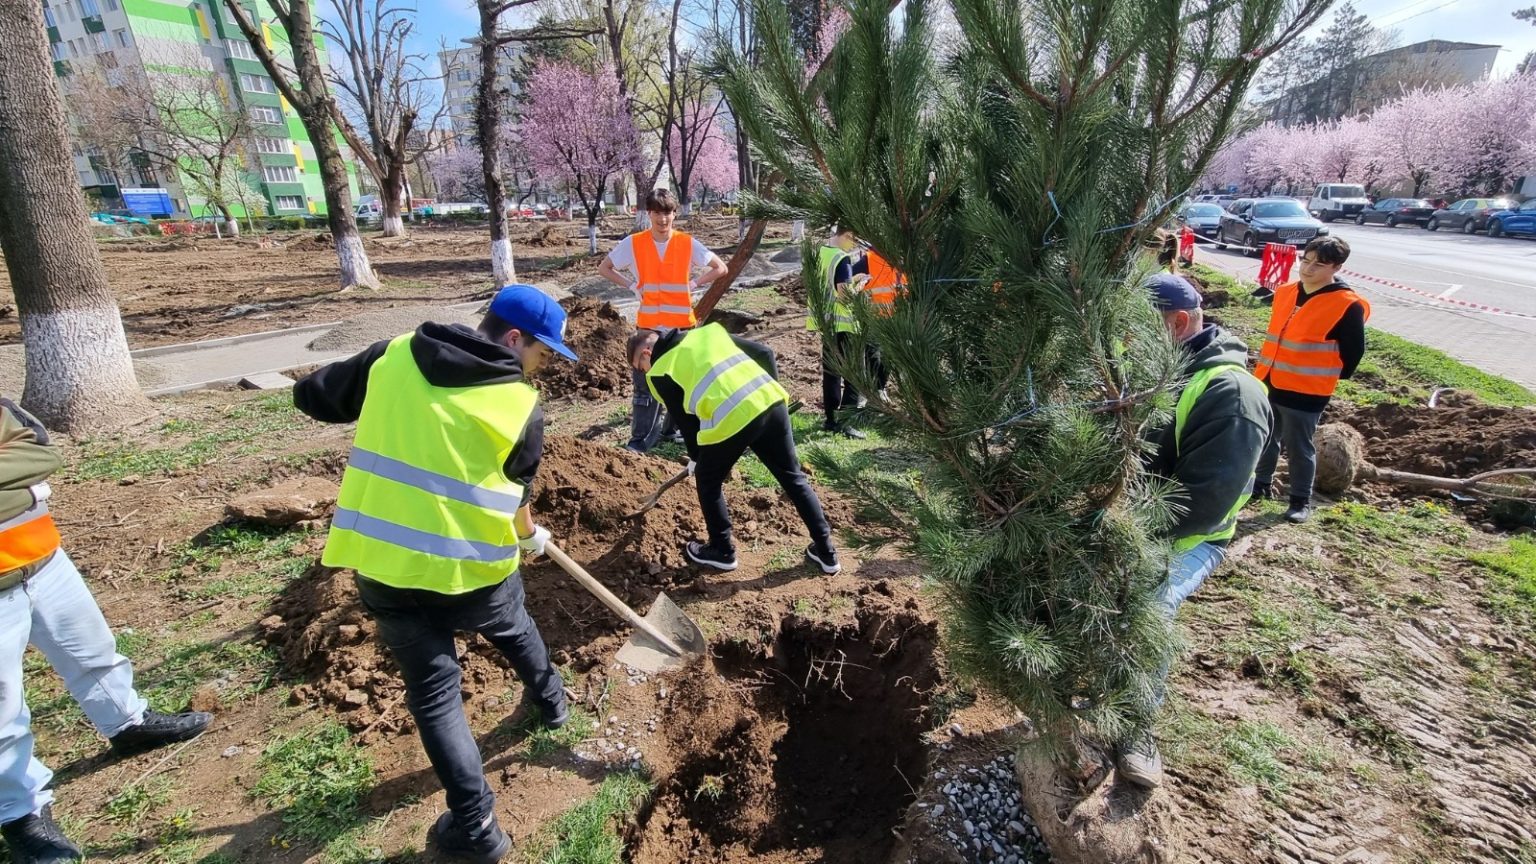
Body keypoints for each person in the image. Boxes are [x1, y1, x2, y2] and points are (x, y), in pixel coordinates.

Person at [293, 285, 577, 864]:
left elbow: (315, 396)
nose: (542, 368)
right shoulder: (520, 407)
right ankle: (553, 703)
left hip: (388, 567)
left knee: (435, 696)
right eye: (543, 355)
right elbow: (516, 497)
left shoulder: (392, 355)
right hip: (474, 569)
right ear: (515, 338)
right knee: (514, 627)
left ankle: (476, 830)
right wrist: (531, 534)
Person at [0, 398, 211, 864]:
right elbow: (19, 465)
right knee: (2, 712)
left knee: (94, 653)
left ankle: (128, 722)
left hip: (43, 558)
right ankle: (20, 815)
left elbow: (38, 452)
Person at [1116, 275, 1271, 789]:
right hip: (1130, 517)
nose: (1127, 344)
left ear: (1179, 323)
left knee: (1149, 602)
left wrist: (1117, 527)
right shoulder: (1159, 369)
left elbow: (1203, 506)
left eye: (1138, 331)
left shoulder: (1232, 395)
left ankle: (1138, 725)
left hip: (1190, 538)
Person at [627, 325, 841, 575]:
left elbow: (686, 423)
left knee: (708, 481)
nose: (645, 373)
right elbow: (764, 352)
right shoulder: (708, 332)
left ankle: (722, 551)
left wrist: (698, 459)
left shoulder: (660, 371)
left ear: (647, 353)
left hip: (732, 418)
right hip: (770, 401)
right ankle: (827, 553)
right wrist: (766, 394)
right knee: (793, 477)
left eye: (641, 368)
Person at [597, 189, 730, 454]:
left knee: (680, 384)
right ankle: (640, 441)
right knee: (645, 387)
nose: (662, 219)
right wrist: (631, 285)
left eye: (667, 212)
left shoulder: (687, 243)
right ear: (649, 214)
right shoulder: (634, 243)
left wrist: (694, 283)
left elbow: (720, 268)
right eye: (657, 213)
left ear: (674, 214)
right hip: (648, 329)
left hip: (682, 327)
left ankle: (672, 430)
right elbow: (604, 267)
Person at [1253, 236, 1368, 523]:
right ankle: (1260, 485)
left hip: (1306, 390)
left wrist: (1326, 375)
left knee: (1299, 446)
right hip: (1269, 379)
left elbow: (1353, 351)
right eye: (1305, 260)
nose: (1308, 268)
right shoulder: (1286, 292)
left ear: (1337, 267)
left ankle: (1300, 500)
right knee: (1267, 436)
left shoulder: (1345, 304)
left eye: (1319, 264)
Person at [809, 228, 869, 438]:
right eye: (854, 240)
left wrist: (852, 278)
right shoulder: (842, 259)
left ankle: (832, 420)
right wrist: (860, 285)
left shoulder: (820, 253)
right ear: (847, 234)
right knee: (855, 374)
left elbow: (828, 285)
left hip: (827, 323)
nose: (855, 246)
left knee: (831, 374)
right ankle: (847, 423)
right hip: (845, 325)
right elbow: (844, 295)